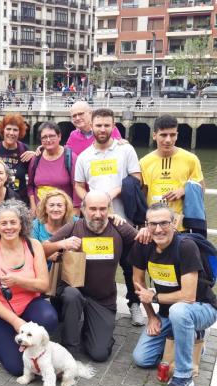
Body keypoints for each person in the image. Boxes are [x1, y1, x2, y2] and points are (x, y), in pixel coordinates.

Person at [130, 203, 217, 386]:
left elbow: (188, 296)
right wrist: (151, 316)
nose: (158, 229)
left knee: (180, 311)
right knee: (141, 358)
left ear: (174, 223)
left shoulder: (186, 247)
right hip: (167, 312)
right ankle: (188, 339)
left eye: (164, 223)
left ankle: (184, 377)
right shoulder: (143, 244)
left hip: (201, 308)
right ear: (146, 225)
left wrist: (154, 297)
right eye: (153, 224)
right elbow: (137, 281)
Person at [43, 191, 138, 362]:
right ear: (84, 209)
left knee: (99, 354)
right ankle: (69, 348)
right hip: (73, 291)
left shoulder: (119, 226)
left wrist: (147, 230)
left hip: (103, 298)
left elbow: (144, 242)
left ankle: (92, 330)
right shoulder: (74, 226)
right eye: (92, 209)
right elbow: (42, 249)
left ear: (109, 209)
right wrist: (61, 244)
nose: (98, 214)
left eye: (103, 209)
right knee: (72, 295)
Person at [74, 108, 145, 326]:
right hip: (96, 220)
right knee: (94, 262)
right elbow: (78, 185)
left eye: (107, 125)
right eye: (98, 125)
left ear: (114, 126)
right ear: (91, 126)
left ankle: (135, 304)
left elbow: (137, 179)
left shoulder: (125, 150)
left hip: (124, 218)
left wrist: (109, 196)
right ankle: (90, 304)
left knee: (130, 264)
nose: (102, 129)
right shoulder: (85, 156)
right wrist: (90, 204)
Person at [0, 199, 57, 376]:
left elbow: (44, 285)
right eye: (3, 223)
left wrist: (18, 281)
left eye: (13, 222)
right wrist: (15, 322)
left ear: (22, 224)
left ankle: (34, 346)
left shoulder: (33, 245)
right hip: (0, 312)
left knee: (49, 317)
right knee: (17, 368)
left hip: (29, 304)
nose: (9, 227)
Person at [139, 115, 205, 231]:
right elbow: (143, 195)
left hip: (181, 227)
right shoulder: (144, 162)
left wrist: (184, 190)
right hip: (155, 227)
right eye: (163, 135)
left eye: (172, 135)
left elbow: (201, 188)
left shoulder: (190, 159)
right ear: (154, 135)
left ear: (177, 135)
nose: (168, 140)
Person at [0, 114, 36, 202]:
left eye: (15, 130)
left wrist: (35, 156)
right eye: (8, 129)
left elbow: (35, 177)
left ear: (20, 132)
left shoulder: (24, 150)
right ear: (3, 130)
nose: (11, 133)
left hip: (19, 200)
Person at [27, 122, 79, 215]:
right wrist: (33, 206)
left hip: (63, 213)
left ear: (59, 136)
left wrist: (76, 211)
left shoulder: (70, 158)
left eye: (52, 136)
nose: (48, 139)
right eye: (44, 137)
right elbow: (30, 185)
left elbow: (77, 187)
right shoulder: (36, 158)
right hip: (40, 214)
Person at [30, 189, 78, 270]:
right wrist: (46, 255)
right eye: (51, 205)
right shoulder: (36, 225)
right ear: (45, 208)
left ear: (66, 208)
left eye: (59, 205)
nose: (55, 209)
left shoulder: (75, 222)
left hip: (70, 271)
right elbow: (30, 252)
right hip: (42, 270)